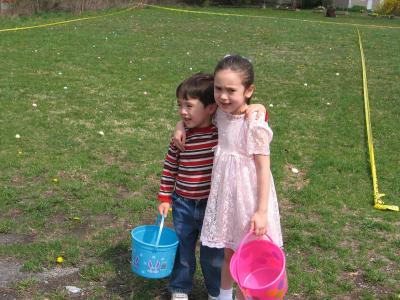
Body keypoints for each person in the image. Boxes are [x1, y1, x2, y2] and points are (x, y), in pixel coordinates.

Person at [174, 56, 283, 300]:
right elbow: (198, 115)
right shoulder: (220, 114)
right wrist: (181, 125)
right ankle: (224, 297)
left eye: (231, 90)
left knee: (251, 254)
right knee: (228, 252)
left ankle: (253, 294)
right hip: (225, 195)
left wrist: (261, 212)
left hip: (249, 197)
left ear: (249, 91)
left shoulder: (254, 122)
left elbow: (263, 169)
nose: (223, 96)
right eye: (218, 89)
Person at [158, 72, 267, 300]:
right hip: (183, 204)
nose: (182, 112)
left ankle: (216, 291)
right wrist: (165, 197)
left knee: (214, 253)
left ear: (210, 108)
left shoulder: (221, 131)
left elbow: (242, 114)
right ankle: (180, 288)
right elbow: (170, 167)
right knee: (182, 248)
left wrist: (258, 106)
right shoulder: (181, 137)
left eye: (188, 106)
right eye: (179, 106)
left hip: (212, 205)